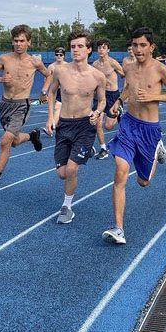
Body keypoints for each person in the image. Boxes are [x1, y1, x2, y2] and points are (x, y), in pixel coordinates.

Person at [103, 27, 166, 244]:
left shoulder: (160, 69)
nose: (138, 49)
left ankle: (156, 151)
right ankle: (119, 228)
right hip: (128, 124)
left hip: (149, 129)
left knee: (143, 182)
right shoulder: (127, 66)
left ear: (151, 47)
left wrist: (154, 96)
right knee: (120, 171)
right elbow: (127, 88)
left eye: (142, 45)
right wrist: (118, 102)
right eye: (135, 45)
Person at [0, 24, 51, 195]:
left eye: (22, 41)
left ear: (29, 42)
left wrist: (44, 91)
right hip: (5, 105)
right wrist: (1, 79)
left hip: (21, 105)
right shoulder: (4, 58)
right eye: (16, 41)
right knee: (15, 141)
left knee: (5, 141)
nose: (18, 44)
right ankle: (32, 136)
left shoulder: (34, 62)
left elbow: (49, 75)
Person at [44, 30, 107, 224]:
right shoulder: (60, 71)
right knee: (62, 174)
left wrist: (97, 113)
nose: (76, 50)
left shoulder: (98, 76)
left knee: (71, 170)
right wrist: (50, 118)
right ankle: (85, 151)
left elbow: (103, 101)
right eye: (73, 47)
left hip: (84, 126)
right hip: (64, 125)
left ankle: (66, 207)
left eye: (80, 46)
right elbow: (51, 92)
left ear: (89, 49)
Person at [92, 38, 125, 160]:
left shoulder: (113, 63)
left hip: (112, 95)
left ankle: (119, 111)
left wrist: (123, 94)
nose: (101, 50)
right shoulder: (94, 64)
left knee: (109, 126)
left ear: (108, 50)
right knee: (97, 122)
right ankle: (103, 148)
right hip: (100, 95)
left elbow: (124, 75)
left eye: (104, 47)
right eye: (99, 47)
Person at [39, 47, 66, 125]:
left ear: (64, 56)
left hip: (63, 91)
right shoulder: (51, 66)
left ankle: (52, 126)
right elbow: (46, 79)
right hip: (53, 91)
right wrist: (45, 92)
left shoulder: (67, 66)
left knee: (58, 107)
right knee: (54, 109)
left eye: (61, 55)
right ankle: (54, 124)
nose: (59, 56)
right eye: (57, 55)